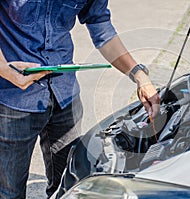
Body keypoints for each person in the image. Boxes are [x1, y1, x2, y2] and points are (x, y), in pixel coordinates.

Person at [0, 0, 160, 198]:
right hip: (12, 99)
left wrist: (138, 74)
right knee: (9, 192)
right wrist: (4, 69)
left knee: (69, 186)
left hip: (65, 96)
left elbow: (101, 26)